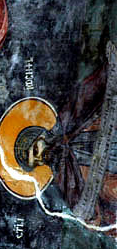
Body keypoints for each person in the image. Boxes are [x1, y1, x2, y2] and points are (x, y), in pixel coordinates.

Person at [13, 42, 117, 225]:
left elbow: (91, 92)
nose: (41, 158)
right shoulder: (63, 178)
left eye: (36, 150)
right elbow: (89, 213)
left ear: (41, 136)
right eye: (36, 162)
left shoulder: (66, 119)